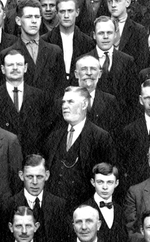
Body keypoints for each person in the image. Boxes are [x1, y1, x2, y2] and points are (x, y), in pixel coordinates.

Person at [44, 86, 115, 214]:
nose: (65, 106)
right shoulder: (54, 136)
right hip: (55, 211)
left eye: (70, 102)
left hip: (85, 211)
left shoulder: (100, 137)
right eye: (63, 102)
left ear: (84, 104)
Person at [0, 47, 52, 159]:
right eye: (10, 65)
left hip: (32, 159)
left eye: (19, 64)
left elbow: (46, 132)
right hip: (2, 158)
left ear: (25, 68)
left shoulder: (40, 97)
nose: (15, 68)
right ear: (3, 69)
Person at [10, 0, 67, 107]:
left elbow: (61, 89)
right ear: (18, 20)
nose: (34, 21)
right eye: (28, 17)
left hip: (50, 112)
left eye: (37, 17)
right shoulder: (8, 54)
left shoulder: (55, 51)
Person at [10, 153, 70, 242]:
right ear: (21, 175)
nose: (34, 182)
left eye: (39, 177)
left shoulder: (59, 205)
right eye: (30, 177)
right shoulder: (10, 205)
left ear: (47, 175)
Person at [44, 0, 95, 81]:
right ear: (57, 13)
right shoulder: (45, 40)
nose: (66, 16)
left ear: (77, 12)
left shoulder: (88, 42)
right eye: (62, 11)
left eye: (70, 11)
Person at [83, 162, 130, 242]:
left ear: (116, 183)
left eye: (109, 182)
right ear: (93, 182)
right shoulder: (84, 210)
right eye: (100, 182)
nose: (105, 187)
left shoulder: (119, 210)